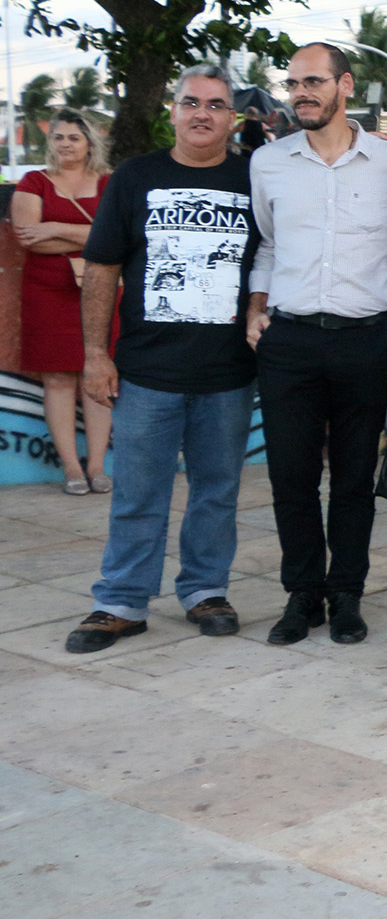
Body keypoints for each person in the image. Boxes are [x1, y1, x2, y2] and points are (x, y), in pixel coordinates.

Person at [64, 66, 257, 653]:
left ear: (232, 117)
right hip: (147, 371)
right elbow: (100, 268)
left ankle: (204, 590)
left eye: (216, 105)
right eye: (191, 102)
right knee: (138, 492)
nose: (202, 113)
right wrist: (96, 354)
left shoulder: (256, 179)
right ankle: (120, 600)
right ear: (172, 111)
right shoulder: (135, 177)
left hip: (227, 372)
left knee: (217, 490)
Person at [249, 42, 387, 646]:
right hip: (289, 339)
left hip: (364, 340)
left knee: (352, 477)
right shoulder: (269, 162)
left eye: (314, 82)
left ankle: (347, 594)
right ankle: (301, 595)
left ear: (345, 85)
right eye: (294, 84)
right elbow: (267, 245)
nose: (301, 94)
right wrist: (256, 310)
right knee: (290, 476)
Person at [13, 108, 115, 494]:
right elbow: (27, 238)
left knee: (100, 373)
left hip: (100, 289)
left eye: (74, 137)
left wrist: (54, 227)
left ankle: (97, 467)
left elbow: (114, 237)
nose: (66, 144)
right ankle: (72, 468)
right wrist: (89, 234)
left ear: (90, 142)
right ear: (49, 141)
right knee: (57, 378)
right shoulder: (33, 181)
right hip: (47, 289)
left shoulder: (108, 183)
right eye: (59, 137)